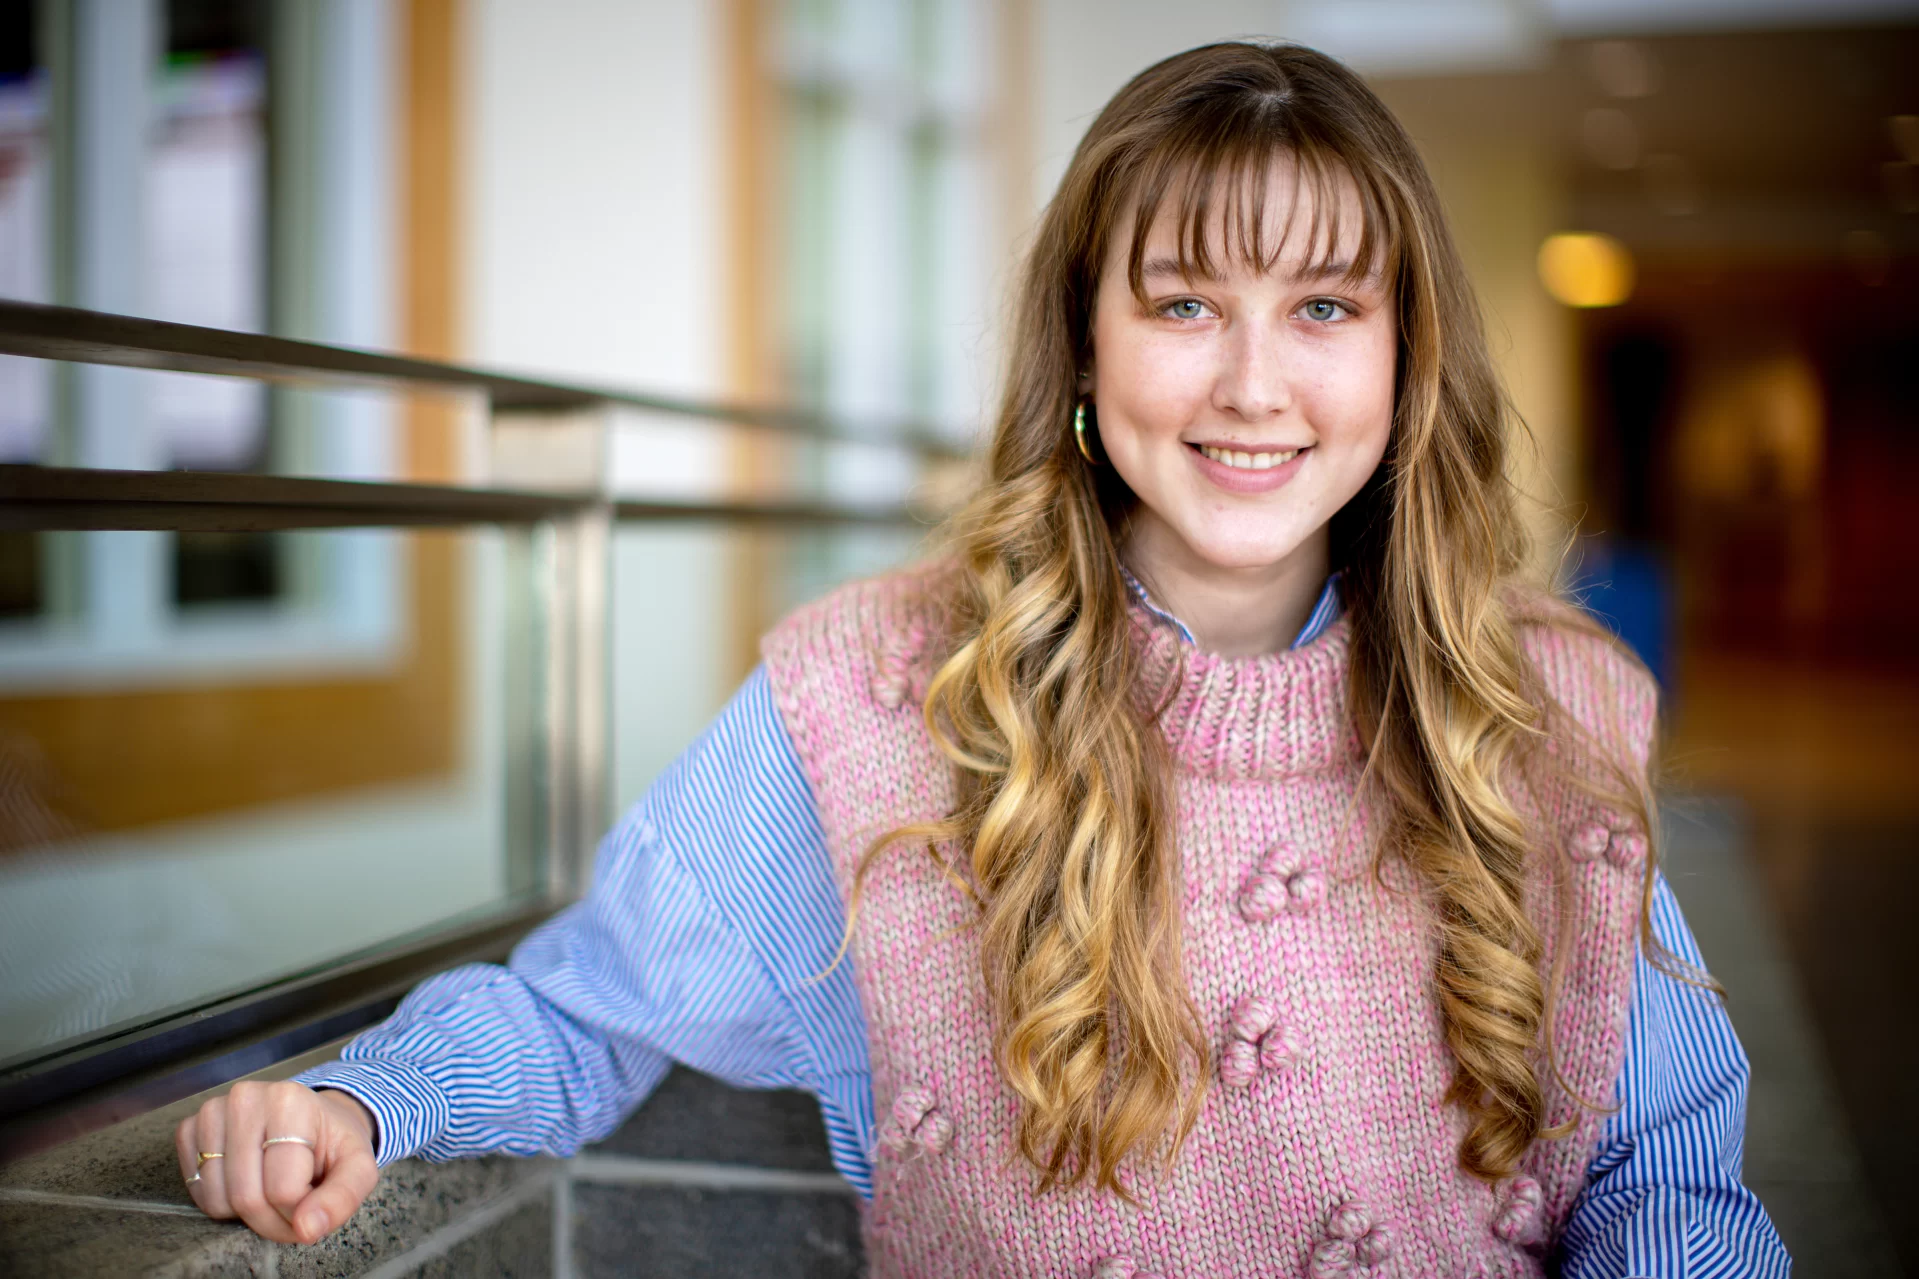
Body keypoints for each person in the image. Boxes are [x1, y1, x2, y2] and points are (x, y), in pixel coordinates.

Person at [175, 41, 1789, 1275]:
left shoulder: (1547, 710)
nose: (1249, 383)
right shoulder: (882, 695)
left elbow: (1666, 1182)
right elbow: (589, 1008)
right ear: (1084, 342)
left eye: (1319, 306)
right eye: (1179, 303)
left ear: (1404, 354)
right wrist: (361, 1102)